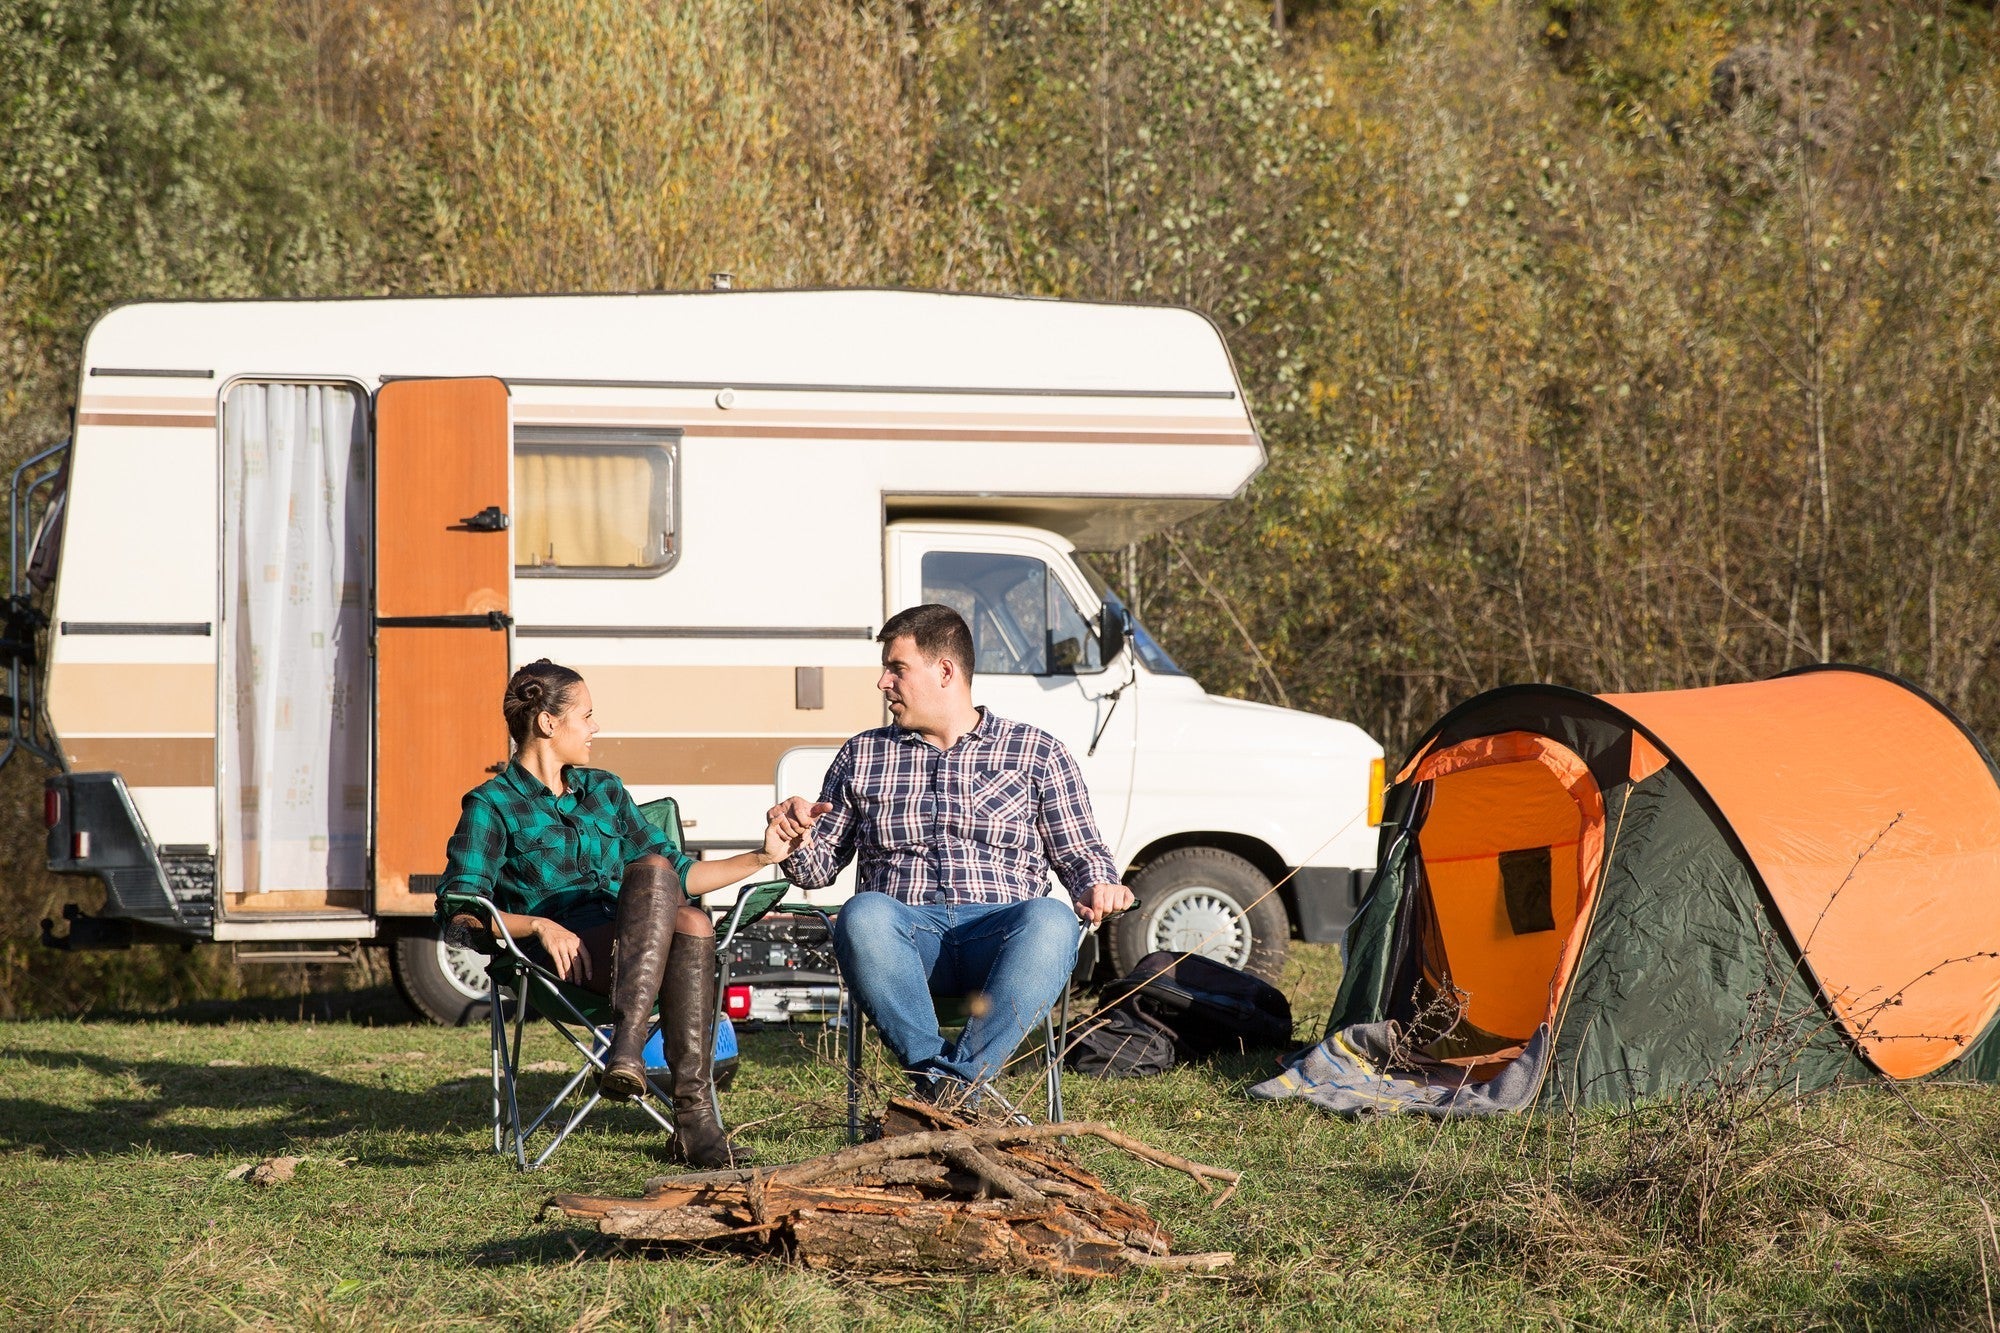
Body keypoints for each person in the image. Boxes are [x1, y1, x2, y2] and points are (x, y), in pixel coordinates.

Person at [769, 603, 1136, 1102]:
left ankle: (944, 1093)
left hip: (1001, 943)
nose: (883, 683)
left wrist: (1098, 884)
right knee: (863, 913)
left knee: (1052, 919)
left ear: (945, 671)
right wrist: (795, 839)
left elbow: (1083, 854)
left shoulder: (1036, 752)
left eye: (896, 668)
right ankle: (953, 1088)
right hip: (905, 945)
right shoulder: (863, 754)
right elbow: (818, 870)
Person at [437, 658, 793, 1167]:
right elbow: (461, 910)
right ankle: (691, 1117)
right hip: (562, 960)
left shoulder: (603, 790)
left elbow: (680, 875)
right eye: (586, 715)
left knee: (677, 899)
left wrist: (762, 857)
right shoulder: (492, 806)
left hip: (632, 937)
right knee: (683, 913)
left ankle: (633, 1056)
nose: (595, 727)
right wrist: (537, 923)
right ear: (547, 723)